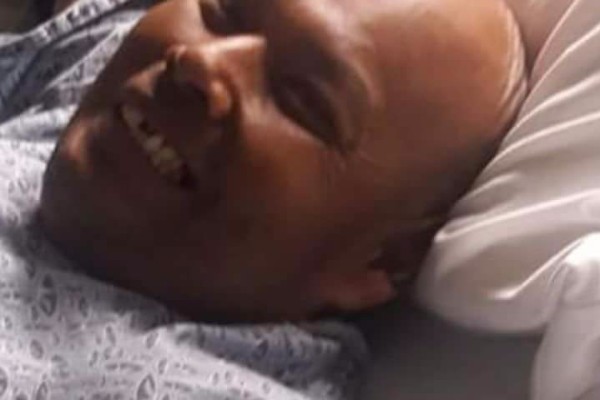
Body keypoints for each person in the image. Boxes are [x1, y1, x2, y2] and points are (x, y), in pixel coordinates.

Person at [39, 0, 526, 322]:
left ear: (383, 259)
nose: (201, 61)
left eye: (301, 101)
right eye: (225, 10)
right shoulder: (78, 67)